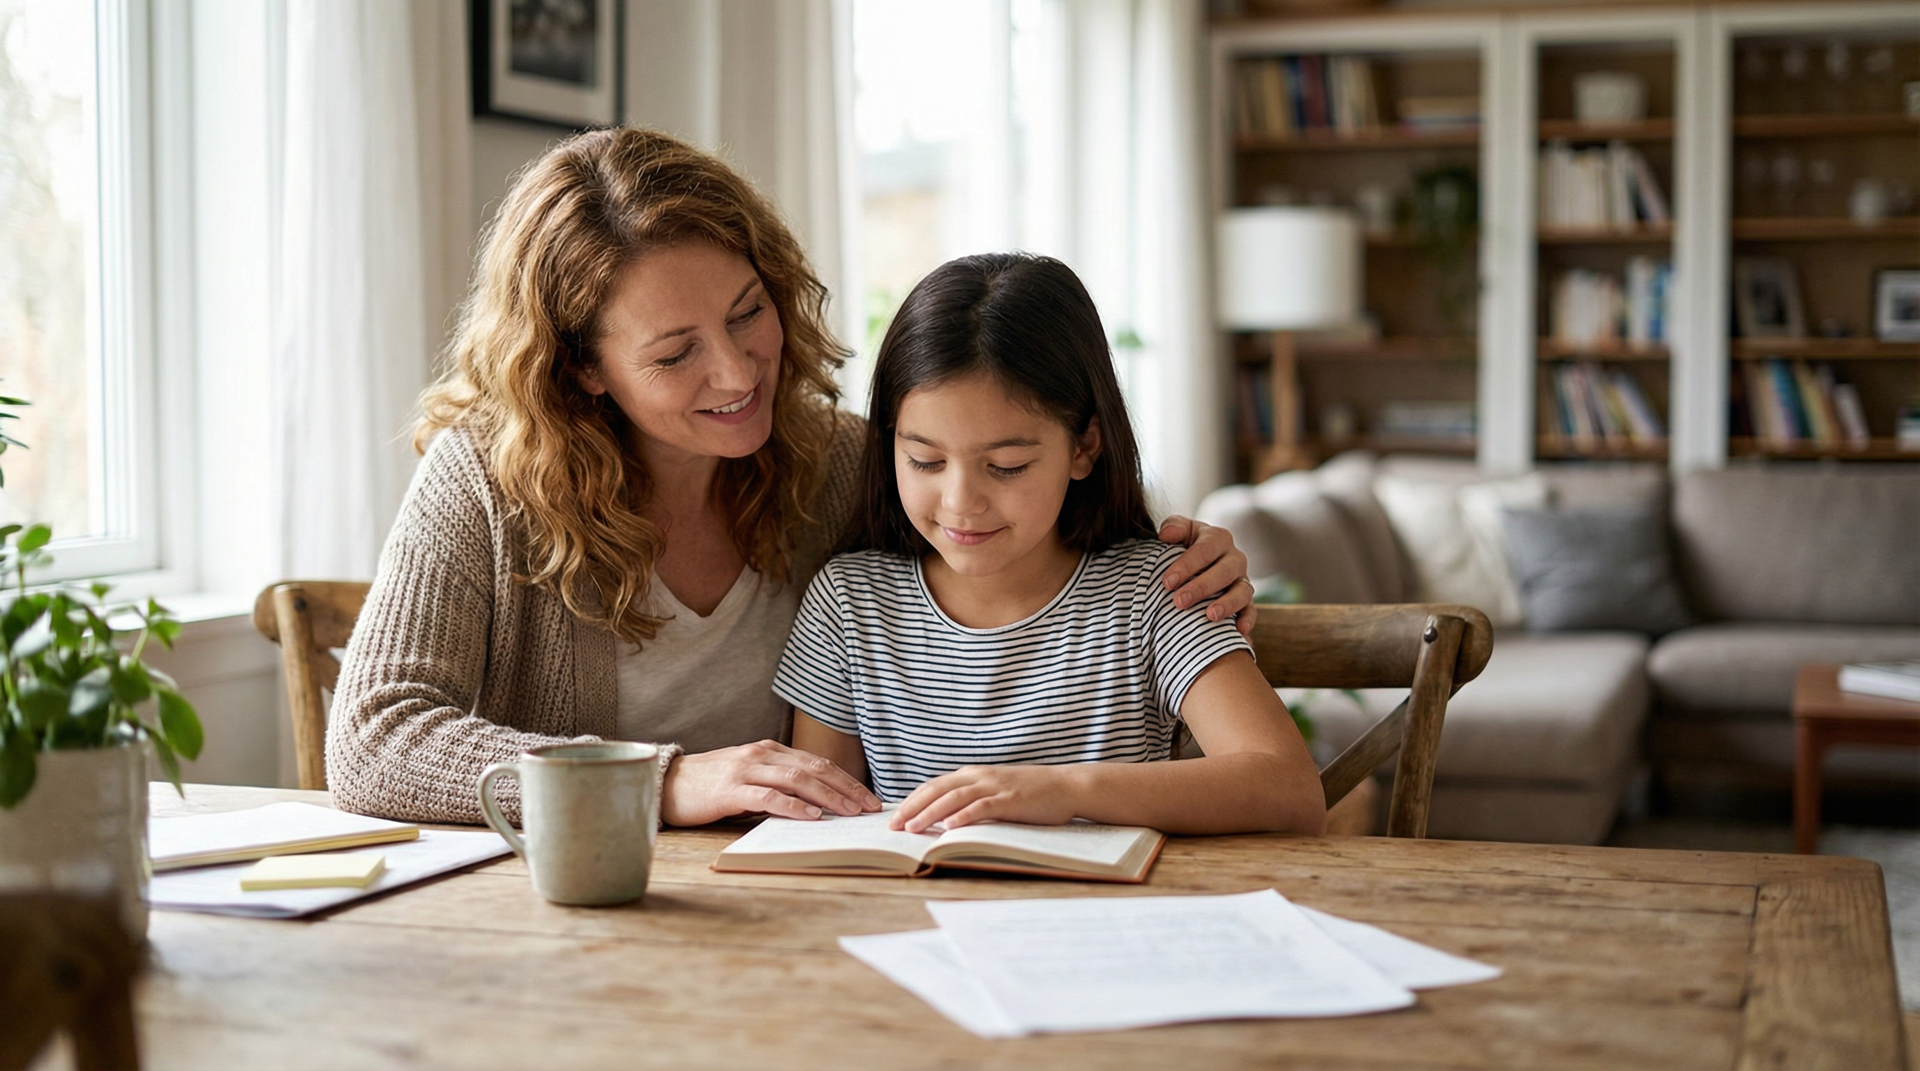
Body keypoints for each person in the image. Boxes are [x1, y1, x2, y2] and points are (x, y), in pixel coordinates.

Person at [326, 128, 1257, 827]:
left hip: (787, 899)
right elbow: (373, 739)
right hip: (577, 911)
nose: (738, 374)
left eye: (747, 313)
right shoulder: (488, 480)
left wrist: (1184, 551)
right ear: (581, 366)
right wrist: (661, 778)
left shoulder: (845, 463)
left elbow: (1020, 510)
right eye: (676, 352)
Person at [776, 253, 1325, 836]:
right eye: (925, 460)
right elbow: (818, 823)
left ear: (1084, 447)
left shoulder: (1160, 592)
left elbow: (1288, 789)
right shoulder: (849, 599)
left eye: (1007, 465)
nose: (961, 501)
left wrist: (1065, 789)